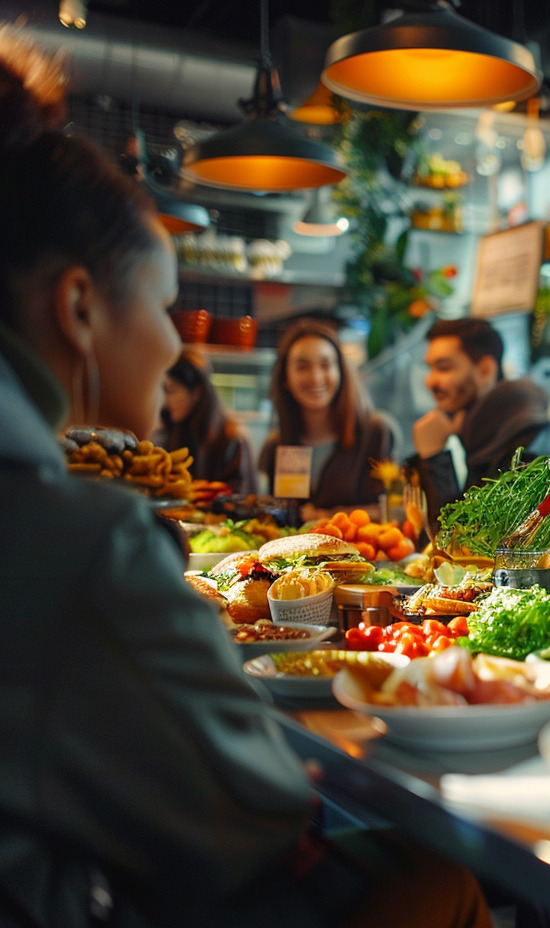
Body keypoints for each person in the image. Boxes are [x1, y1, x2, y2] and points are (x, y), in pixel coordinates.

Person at [0, 29, 489, 928]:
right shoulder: (80, 535)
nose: (178, 343)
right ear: (77, 307)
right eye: (162, 306)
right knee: (442, 876)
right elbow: (255, 810)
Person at [404, 317, 550, 534]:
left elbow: (465, 547)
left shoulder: (529, 441)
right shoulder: (486, 433)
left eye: (444, 368)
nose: (430, 381)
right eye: (429, 368)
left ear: (485, 370)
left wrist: (433, 458)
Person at [259, 318, 401, 519]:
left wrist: (326, 516)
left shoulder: (377, 431)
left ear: (341, 372)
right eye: (302, 367)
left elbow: (395, 511)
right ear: (285, 379)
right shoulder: (276, 445)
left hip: (362, 549)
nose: (316, 377)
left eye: (325, 365)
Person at [153, 348, 258, 494]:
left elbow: (239, 497)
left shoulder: (231, 437)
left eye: (171, 390)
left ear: (196, 391)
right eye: (161, 391)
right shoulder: (169, 431)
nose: (165, 401)